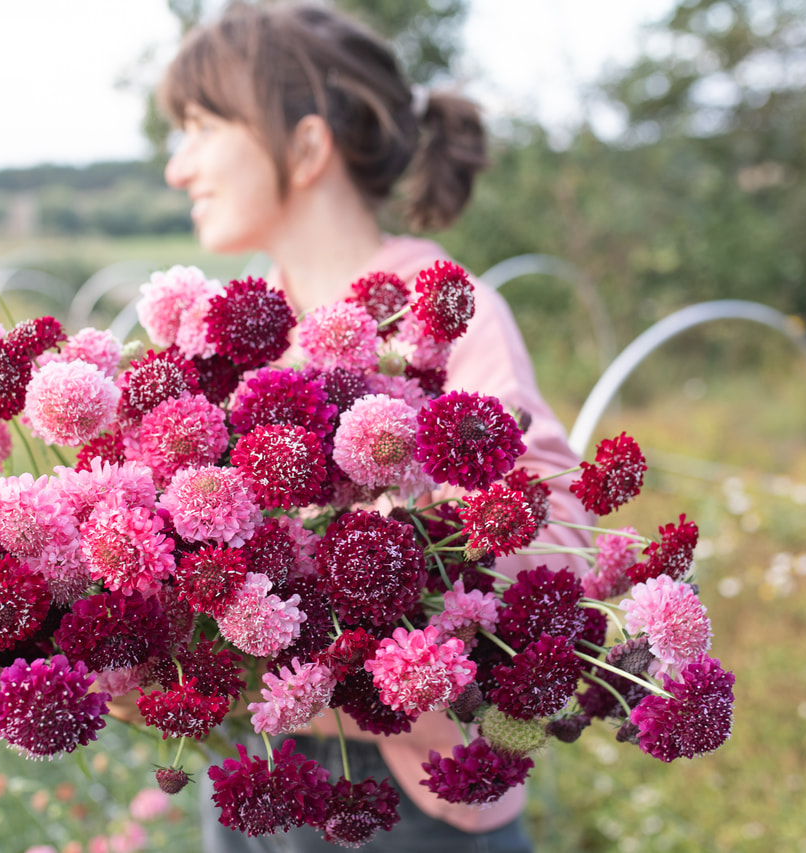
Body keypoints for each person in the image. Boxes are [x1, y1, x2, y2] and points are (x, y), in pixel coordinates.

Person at [158, 3, 594, 851]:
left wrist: (387, 544)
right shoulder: (233, 329)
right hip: (260, 781)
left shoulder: (439, 305)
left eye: (202, 127)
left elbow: (553, 531)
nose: (179, 168)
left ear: (310, 147)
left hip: (413, 801)